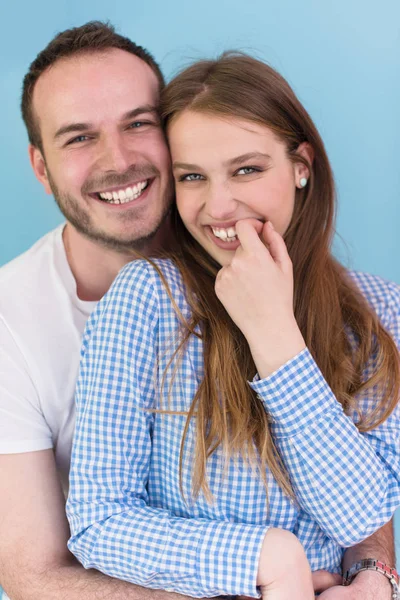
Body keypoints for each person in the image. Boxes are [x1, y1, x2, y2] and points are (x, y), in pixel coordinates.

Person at [0, 20, 395, 600]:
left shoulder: (376, 309)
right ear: (41, 166)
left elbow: (364, 519)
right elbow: (40, 564)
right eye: (79, 136)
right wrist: (265, 568)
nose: (219, 204)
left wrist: (374, 580)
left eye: (138, 124)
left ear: (301, 165)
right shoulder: (119, 303)